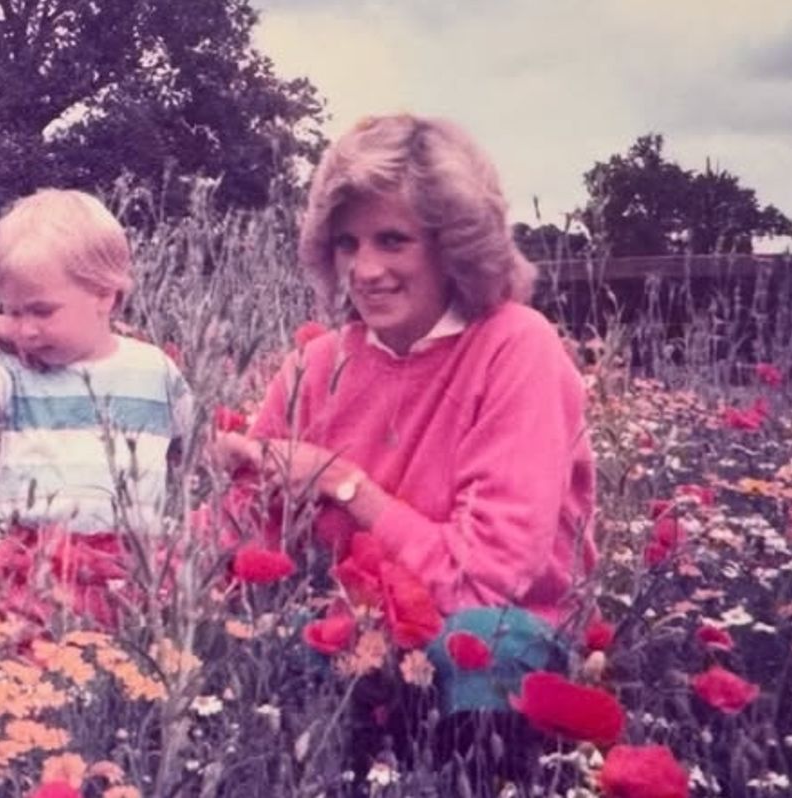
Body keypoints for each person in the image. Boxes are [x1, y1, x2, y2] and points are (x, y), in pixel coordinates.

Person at [214, 114, 597, 784]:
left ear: (455, 245)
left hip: (493, 638)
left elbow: (486, 581)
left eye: (393, 240)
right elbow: (245, 538)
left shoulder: (515, 347)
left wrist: (343, 484)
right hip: (353, 632)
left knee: (473, 647)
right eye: (346, 244)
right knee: (246, 657)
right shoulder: (316, 365)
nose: (366, 270)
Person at [0, 189, 192, 631]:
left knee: (119, 676)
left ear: (104, 296)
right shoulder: (18, 376)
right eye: (13, 311)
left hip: (128, 562)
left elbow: (191, 452)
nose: (26, 330)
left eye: (42, 311)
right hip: (35, 561)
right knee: (30, 678)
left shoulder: (155, 372)